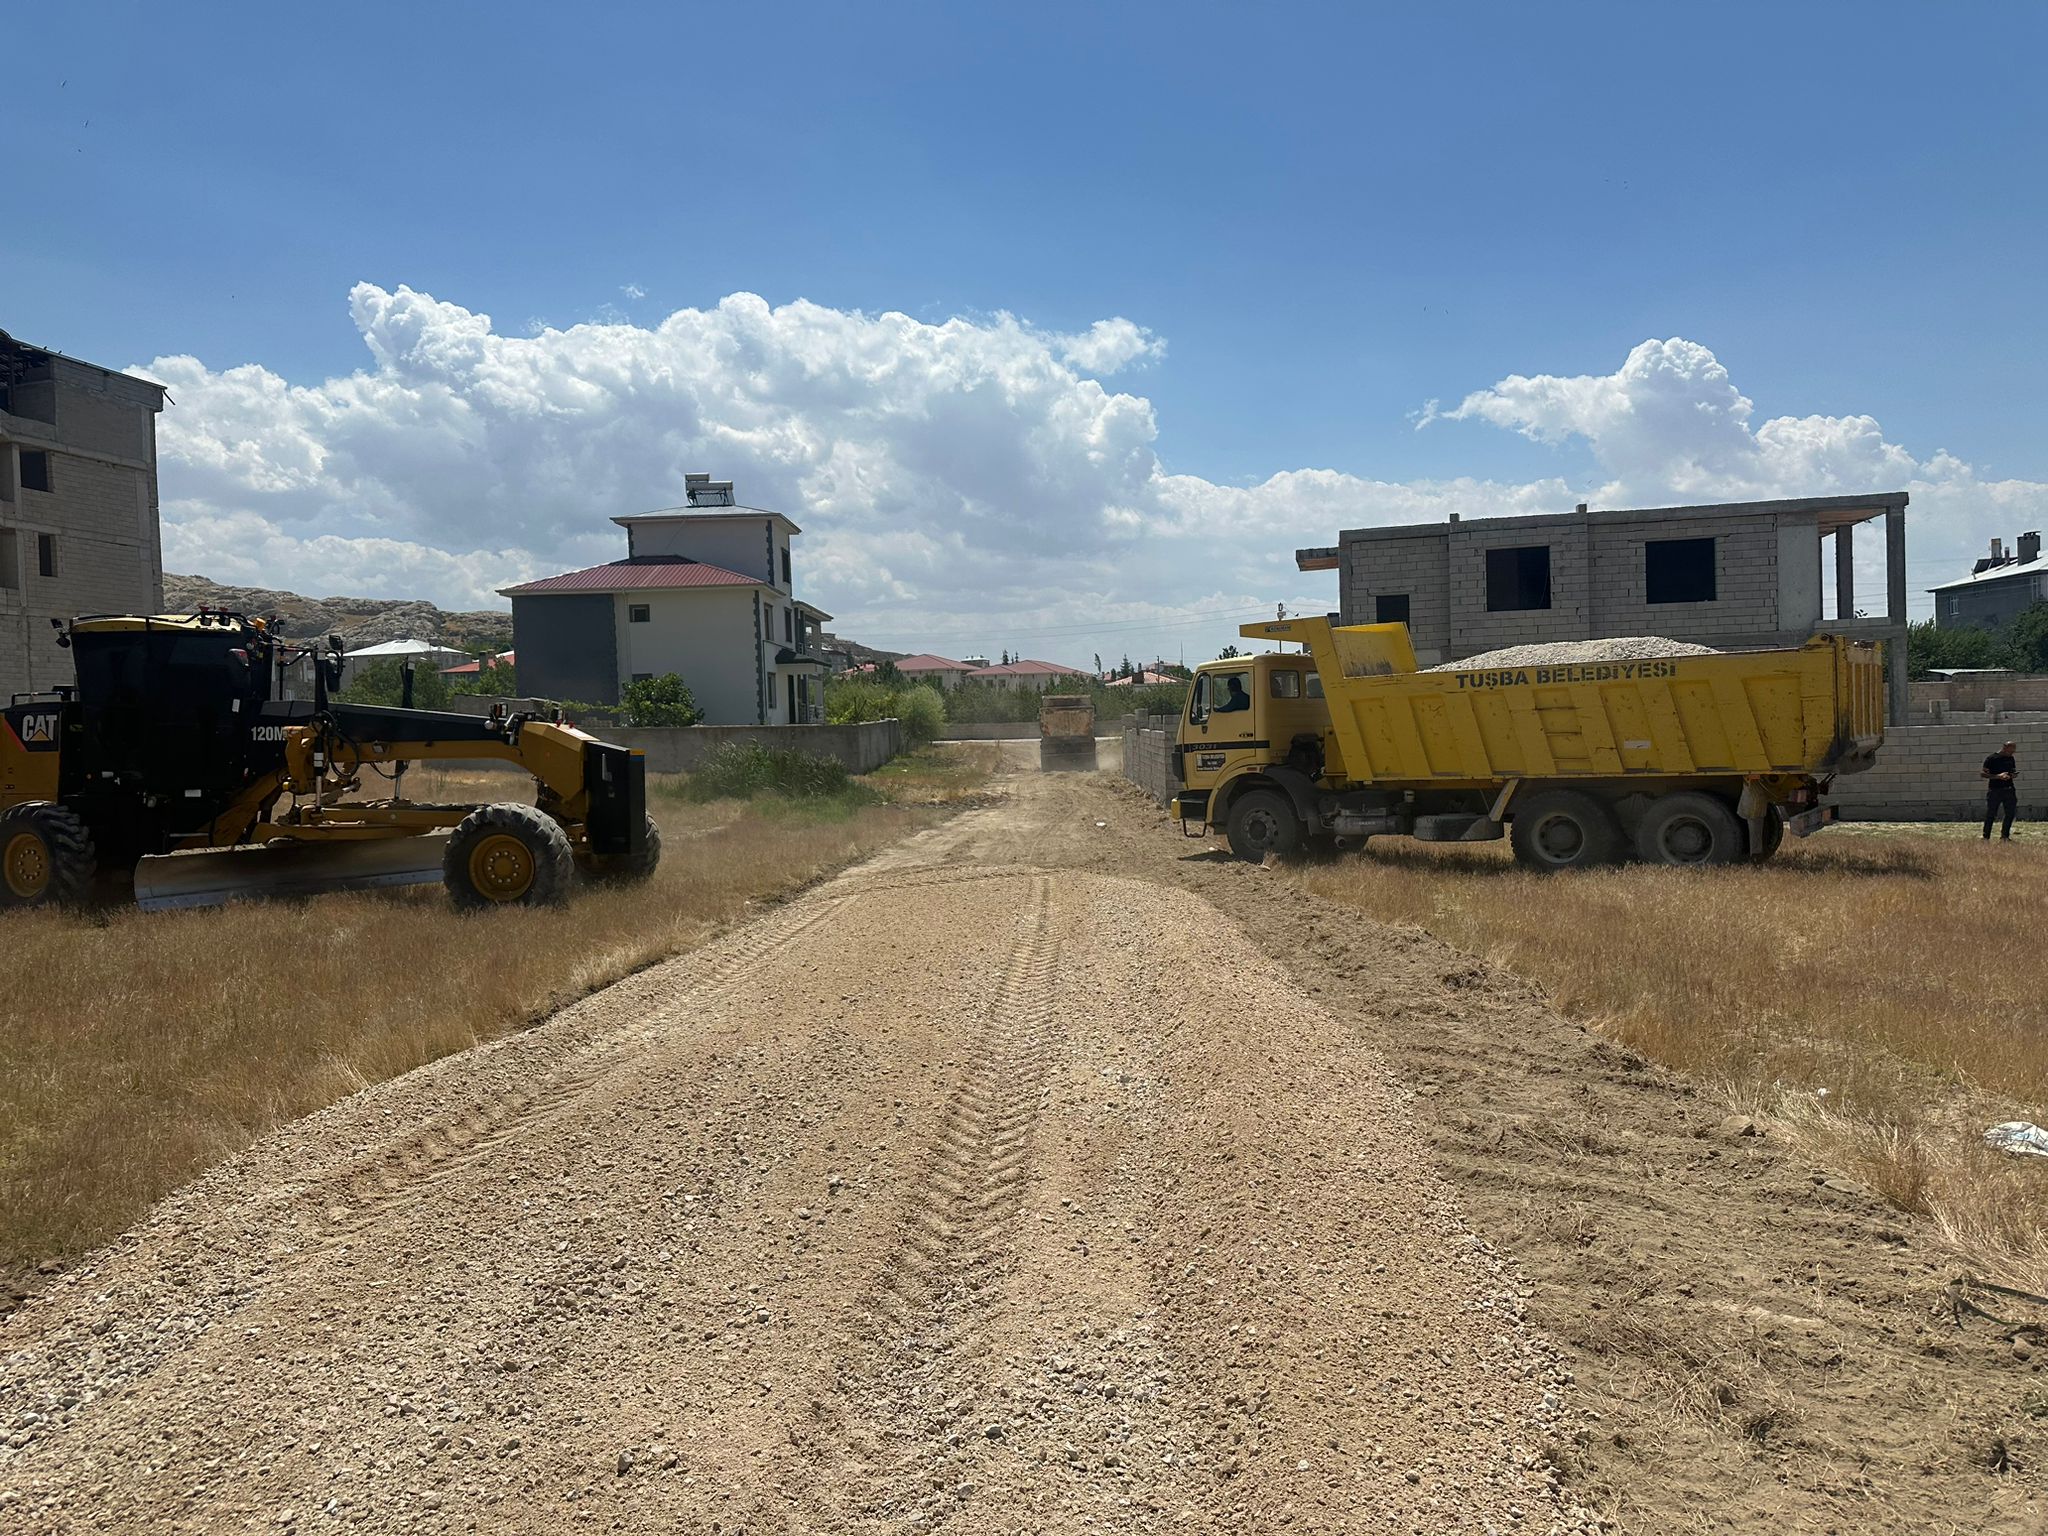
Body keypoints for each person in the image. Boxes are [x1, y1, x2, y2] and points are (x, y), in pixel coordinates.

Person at [1982, 739, 2019, 841]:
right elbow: (1983, 774)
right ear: (2004, 748)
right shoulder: (1991, 758)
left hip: (2009, 789)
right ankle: (1986, 837)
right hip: (1995, 790)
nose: (2012, 753)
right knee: (1991, 814)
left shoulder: (2011, 758)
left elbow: (2012, 771)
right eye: (2011, 750)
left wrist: (2012, 775)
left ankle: (2005, 836)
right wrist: (1998, 776)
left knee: (2010, 813)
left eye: (2013, 751)